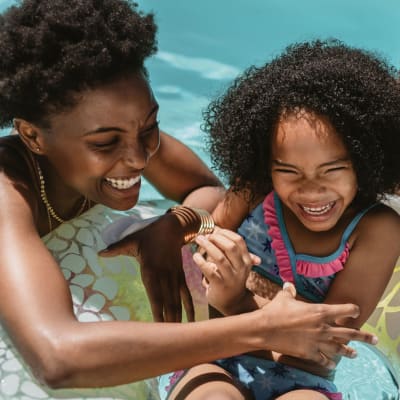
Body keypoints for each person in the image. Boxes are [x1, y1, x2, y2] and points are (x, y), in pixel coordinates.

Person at [0, 1, 378, 396]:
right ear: (32, 136)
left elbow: (208, 191)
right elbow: (57, 358)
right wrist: (262, 328)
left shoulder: (129, 135)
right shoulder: (7, 191)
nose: (139, 156)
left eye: (150, 127)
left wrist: (169, 226)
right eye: (105, 142)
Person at [163, 40, 400, 400]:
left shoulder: (376, 229)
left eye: (332, 170)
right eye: (288, 171)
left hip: (304, 381)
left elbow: (326, 340)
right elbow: (204, 249)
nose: (311, 189)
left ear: (366, 163)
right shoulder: (255, 189)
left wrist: (237, 300)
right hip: (214, 355)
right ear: (266, 164)